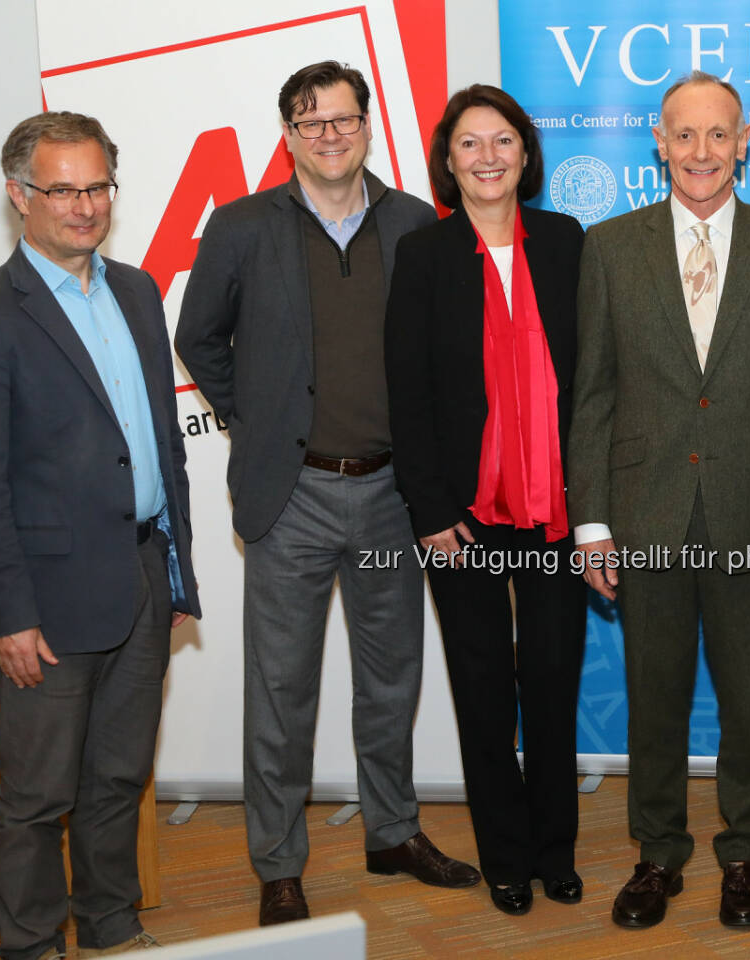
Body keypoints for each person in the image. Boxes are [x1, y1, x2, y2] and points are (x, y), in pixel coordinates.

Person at [174, 61, 479, 926]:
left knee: (391, 681)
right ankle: (278, 863)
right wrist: (258, 419)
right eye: (311, 125)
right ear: (289, 136)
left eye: (343, 120)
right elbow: (199, 336)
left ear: (367, 125)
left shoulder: (417, 223)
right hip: (292, 497)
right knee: (281, 689)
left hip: (391, 494)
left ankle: (392, 833)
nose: (330, 137)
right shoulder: (239, 226)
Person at [0, 111, 201, 959]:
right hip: (45, 604)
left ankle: (112, 925)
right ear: (20, 196)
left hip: (143, 577)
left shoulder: (136, 292)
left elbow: (162, 445)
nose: (84, 207)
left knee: (119, 779)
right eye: (63, 190)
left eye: (97, 187)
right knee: (38, 796)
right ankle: (32, 945)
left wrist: (180, 576)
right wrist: (7, 613)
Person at [567, 70, 750, 930]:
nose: (702, 152)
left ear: (744, 141)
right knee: (654, 695)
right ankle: (657, 855)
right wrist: (593, 525)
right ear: (659, 143)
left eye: (719, 135)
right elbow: (594, 396)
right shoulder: (608, 248)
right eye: (685, 135)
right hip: (646, 516)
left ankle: (747, 852)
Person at [385, 85, 586, 916]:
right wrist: (430, 512)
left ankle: (555, 851)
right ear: (448, 160)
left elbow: (597, 378)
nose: (489, 157)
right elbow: (410, 393)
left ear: (526, 153)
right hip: (462, 517)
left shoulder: (569, 243)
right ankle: (505, 855)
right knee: (480, 685)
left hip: (558, 512)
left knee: (550, 678)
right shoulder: (425, 256)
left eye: (503, 141)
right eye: (471, 144)